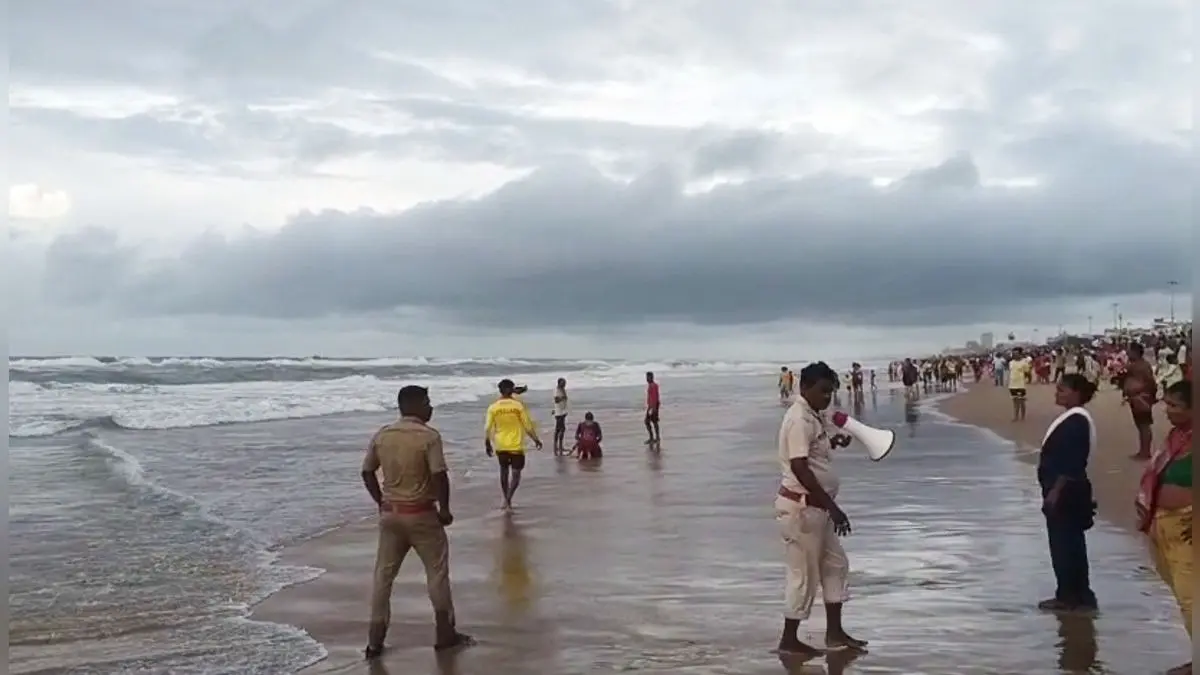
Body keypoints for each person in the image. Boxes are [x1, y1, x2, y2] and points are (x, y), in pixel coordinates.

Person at [360, 385, 474, 658]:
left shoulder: (383, 435)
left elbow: (367, 472)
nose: (431, 407)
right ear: (418, 405)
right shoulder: (429, 437)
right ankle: (445, 634)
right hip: (422, 514)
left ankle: (375, 641)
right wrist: (444, 509)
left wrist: (380, 502)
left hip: (391, 515)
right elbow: (439, 475)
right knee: (436, 574)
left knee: (383, 578)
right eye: (428, 402)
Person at [773, 361, 866, 655]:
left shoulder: (813, 415)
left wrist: (835, 441)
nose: (827, 397)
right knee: (803, 575)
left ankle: (835, 633)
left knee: (835, 565)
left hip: (817, 511)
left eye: (831, 392)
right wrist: (833, 507)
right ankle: (789, 640)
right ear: (804, 388)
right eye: (823, 391)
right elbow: (799, 466)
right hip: (802, 510)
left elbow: (812, 452)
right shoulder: (798, 418)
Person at [1135, 381, 1192, 675]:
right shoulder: (1177, 437)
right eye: (1166, 404)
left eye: (1175, 406)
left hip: (1187, 525)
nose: (1167, 411)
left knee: (1190, 595)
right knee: (1179, 591)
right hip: (1164, 522)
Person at [1036, 374, 1099, 613]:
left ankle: (1069, 595)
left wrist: (1054, 493)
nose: (1057, 393)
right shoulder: (1074, 419)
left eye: (1062, 390)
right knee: (1072, 543)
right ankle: (1080, 595)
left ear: (1076, 393)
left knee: (1064, 545)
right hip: (1069, 489)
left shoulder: (1076, 421)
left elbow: (1073, 463)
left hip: (1066, 491)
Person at [485, 379, 543, 512]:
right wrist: (536, 439)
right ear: (511, 390)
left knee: (504, 473)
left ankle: (506, 498)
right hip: (516, 446)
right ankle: (508, 498)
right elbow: (527, 425)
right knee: (516, 475)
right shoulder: (518, 406)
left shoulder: (493, 407)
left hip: (500, 445)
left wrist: (487, 443)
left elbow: (487, 427)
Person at [1123, 342, 1157, 460]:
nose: (1127, 352)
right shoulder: (1137, 365)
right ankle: (1143, 451)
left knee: (1144, 425)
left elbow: (1150, 382)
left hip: (1141, 398)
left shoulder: (1142, 366)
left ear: (1135, 352)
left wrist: (1148, 396)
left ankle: (1145, 452)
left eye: (1129, 350)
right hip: (1137, 397)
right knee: (1141, 425)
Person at [1008, 348, 1033, 421]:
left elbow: (1027, 371)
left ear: (1020, 354)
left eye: (1016, 353)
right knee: (1015, 402)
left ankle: (1023, 417)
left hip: (1020, 385)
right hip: (1012, 385)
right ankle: (1015, 416)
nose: (1015, 355)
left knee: (1021, 401)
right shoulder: (1011, 362)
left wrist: (1026, 379)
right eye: (1013, 353)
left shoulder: (1024, 362)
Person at [552, 378, 569, 455]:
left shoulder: (562, 389)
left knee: (559, 429)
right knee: (561, 429)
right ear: (559, 383)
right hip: (559, 413)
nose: (564, 385)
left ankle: (558, 446)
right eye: (563, 383)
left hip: (562, 411)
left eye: (565, 383)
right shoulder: (557, 390)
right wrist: (563, 398)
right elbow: (556, 400)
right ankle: (558, 447)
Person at [644, 371, 661, 445]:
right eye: (647, 377)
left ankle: (654, 437)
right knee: (653, 422)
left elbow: (654, 397)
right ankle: (656, 437)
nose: (647, 379)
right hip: (652, 406)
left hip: (653, 406)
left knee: (648, 422)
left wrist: (653, 408)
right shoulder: (653, 385)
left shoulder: (652, 386)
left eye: (648, 377)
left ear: (652, 377)